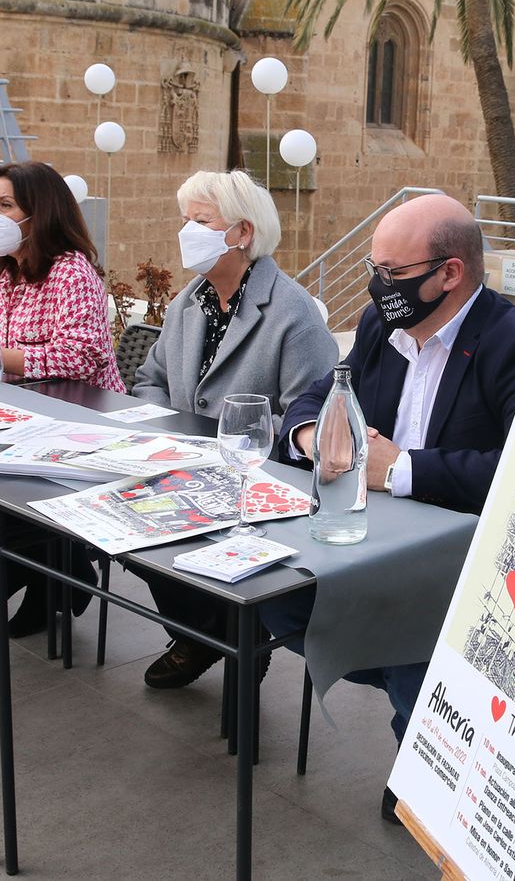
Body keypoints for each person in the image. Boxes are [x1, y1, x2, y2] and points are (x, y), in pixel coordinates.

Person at [264, 193, 515, 822]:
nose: (376, 286)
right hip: (372, 535)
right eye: (373, 268)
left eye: (393, 273)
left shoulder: (513, 344)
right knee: (274, 594)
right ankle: (416, 715)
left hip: (456, 557)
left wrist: (402, 469)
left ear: (450, 273)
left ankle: (428, 751)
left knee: (416, 640)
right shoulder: (379, 325)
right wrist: (315, 435)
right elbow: (321, 392)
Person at [130, 169, 338, 690]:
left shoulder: (294, 314)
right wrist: (170, 431)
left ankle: (225, 631)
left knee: (166, 529)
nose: (186, 231)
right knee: (125, 527)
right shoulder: (188, 302)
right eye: (185, 219)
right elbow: (150, 378)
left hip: (260, 482)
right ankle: (206, 631)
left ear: (242, 233)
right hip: (183, 467)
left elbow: (309, 419)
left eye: (200, 220)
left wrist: (216, 439)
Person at [0, 159, 123, 634]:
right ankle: (61, 575)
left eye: (6, 205)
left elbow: (82, 356)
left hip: (78, 418)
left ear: (40, 212)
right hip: (19, 414)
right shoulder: (1, 271)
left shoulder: (70, 272)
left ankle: (55, 578)